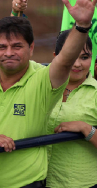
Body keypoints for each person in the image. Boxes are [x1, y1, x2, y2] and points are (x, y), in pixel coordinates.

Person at [0, 0, 97, 188]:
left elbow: (65, 60)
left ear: (31, 49)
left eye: (17, 46)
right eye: (1, 47)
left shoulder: (41, 78)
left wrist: (82, 25)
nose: (8, 52)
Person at [47, 30, 97, 188]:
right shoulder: (42, 85)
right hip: (39, 180)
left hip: (83, 183)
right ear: (56, 56)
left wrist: (86, 129)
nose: (77, 64)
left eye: (84, 57)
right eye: (71, 55)